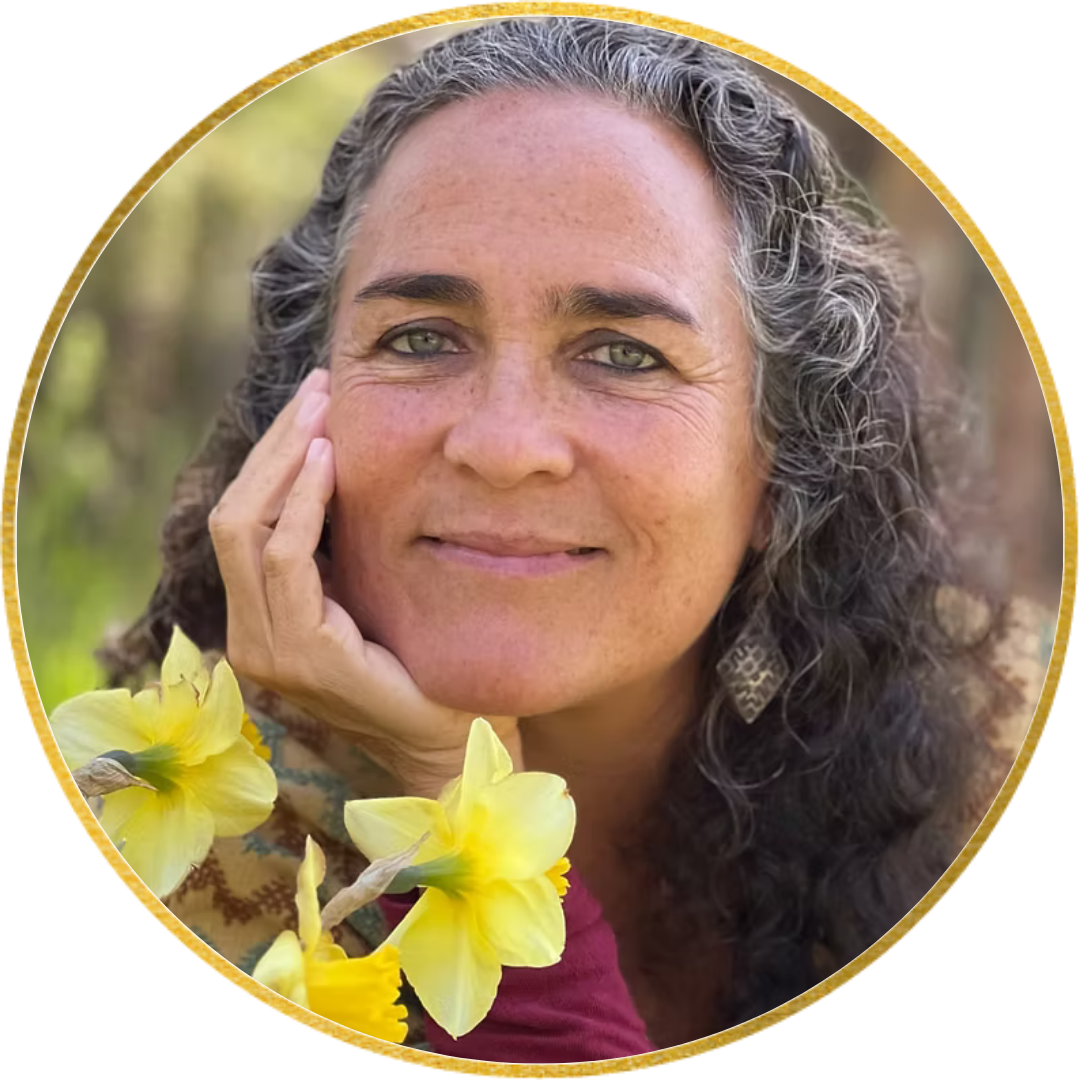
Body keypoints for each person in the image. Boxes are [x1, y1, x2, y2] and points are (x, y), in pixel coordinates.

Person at [101, 17, 1049, 1061]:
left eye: (624, 354)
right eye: (419, 339)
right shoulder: (146, 872)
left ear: (786, 465)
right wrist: (447, 782)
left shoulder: (1024, 792)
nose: (505, 446)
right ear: (303, 415)